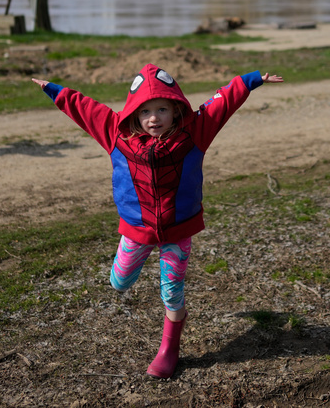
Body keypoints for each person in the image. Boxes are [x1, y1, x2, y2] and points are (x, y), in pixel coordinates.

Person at [31, 64, 283, 379]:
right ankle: (130, 275)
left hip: (178, 229)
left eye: (162, 108)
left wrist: (252, 80)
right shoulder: (115, 134)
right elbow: (85, 108)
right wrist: (54, 89)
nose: (154, 117)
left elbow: (223, 102)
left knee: (172, 293)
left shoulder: (195, 132)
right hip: (137, 231)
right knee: (118, 282)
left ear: (176, 110)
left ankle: (169, 349)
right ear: (133, 114)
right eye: (145, 110)